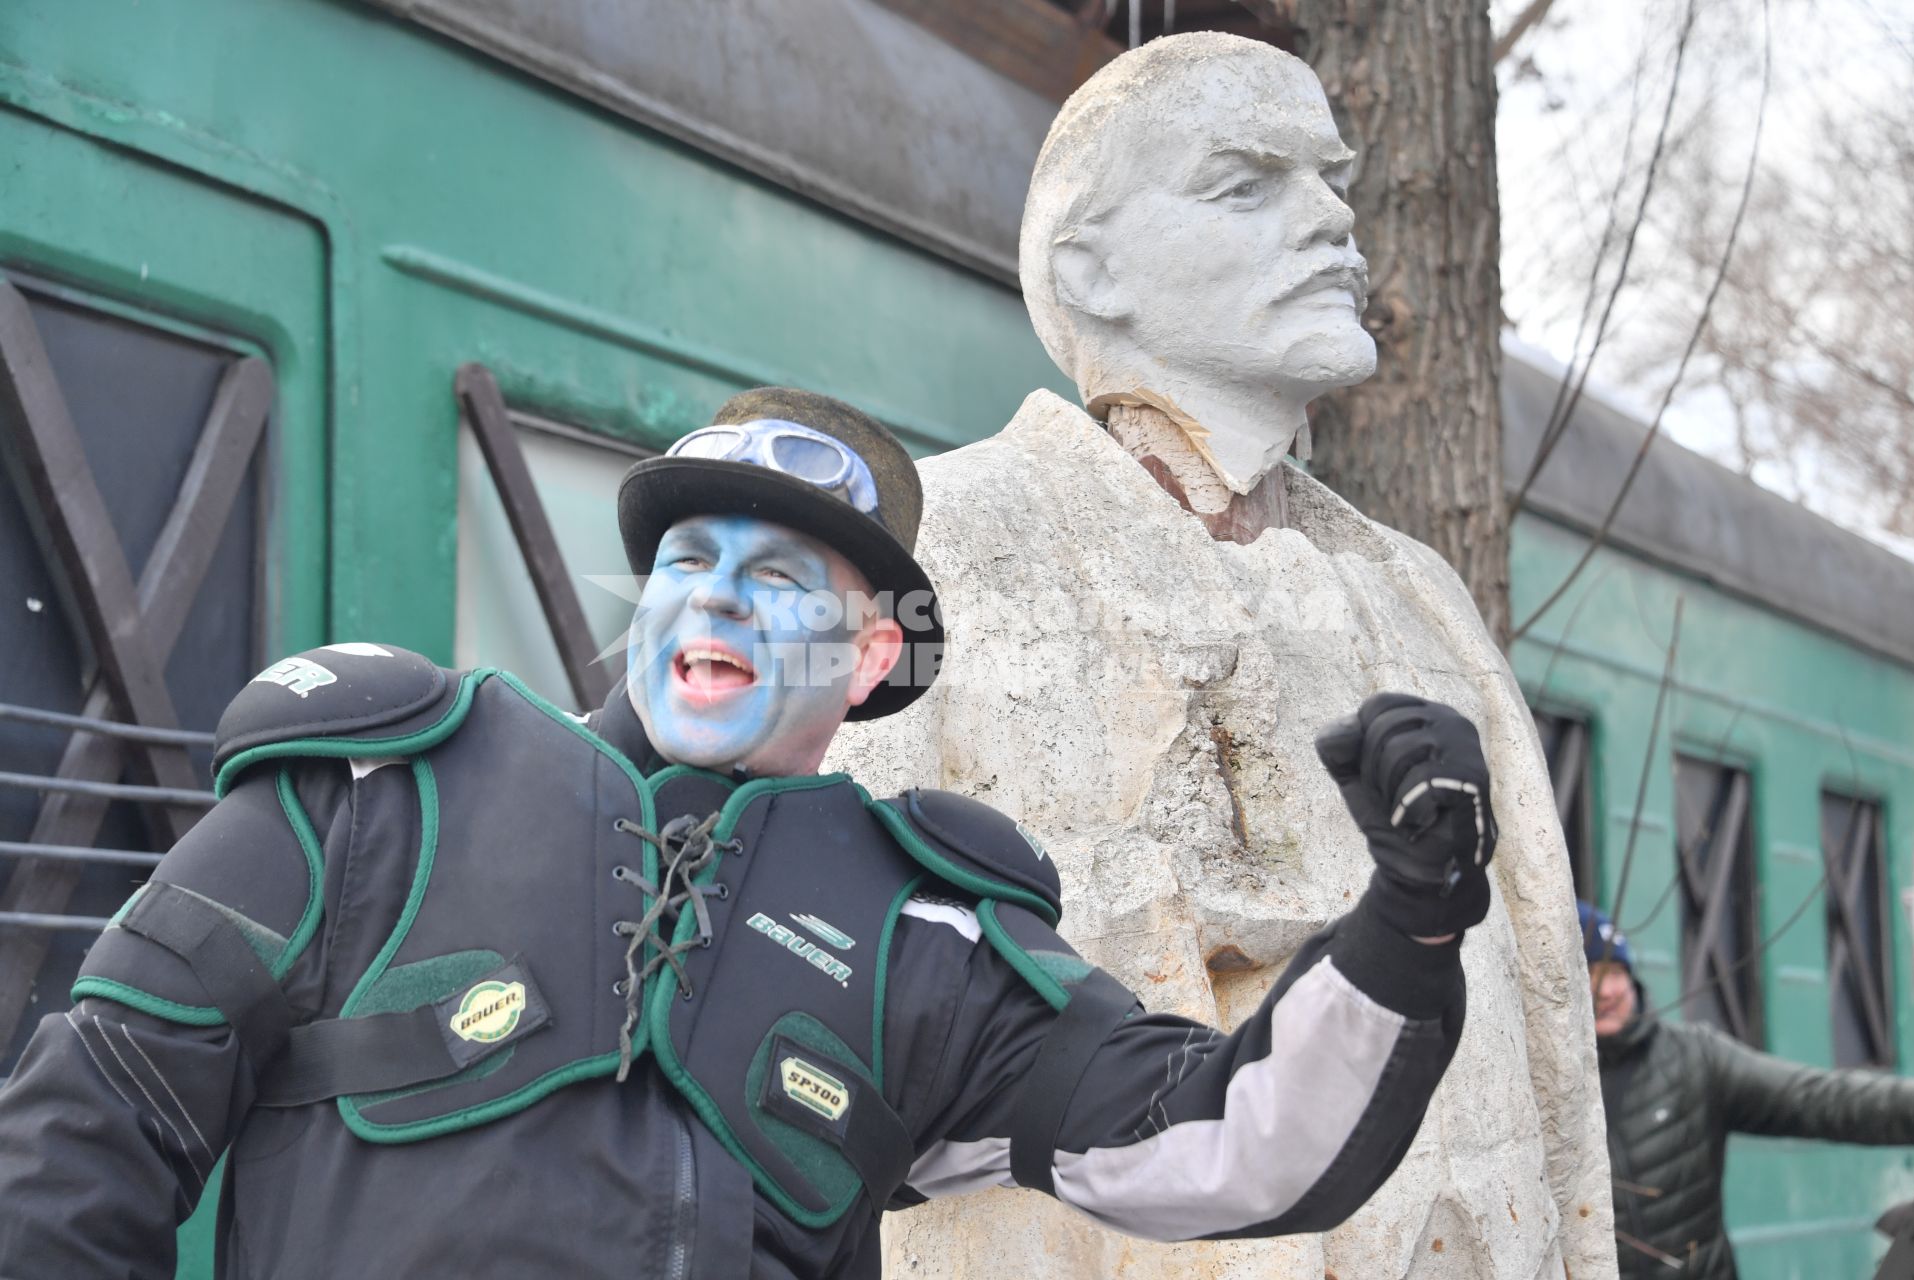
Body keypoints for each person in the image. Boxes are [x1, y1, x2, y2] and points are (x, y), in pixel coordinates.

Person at [0, 388, 1498, 1279]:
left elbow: (1233, 1146)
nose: (713, 597)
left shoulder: (934, 937)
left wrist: (1409, 921)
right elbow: (90, 1125)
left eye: (781, 579)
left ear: (865, 665)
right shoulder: (373, 794)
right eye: (687, 561)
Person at [832, 31, 1609, 1279]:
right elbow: (841, 1001)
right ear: (1090, 267)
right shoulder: (934, 553)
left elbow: (1553, 1024)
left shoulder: (1418, 594)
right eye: (1247, 185)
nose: (1333, 225)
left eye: (1333, 181)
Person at [1582, 901, 1914, 1278]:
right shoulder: (1542, 1091)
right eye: (1590, 973)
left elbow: (1819, 1098)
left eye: (1615, 972)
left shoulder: (1691, 1058)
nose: (1607, 990)